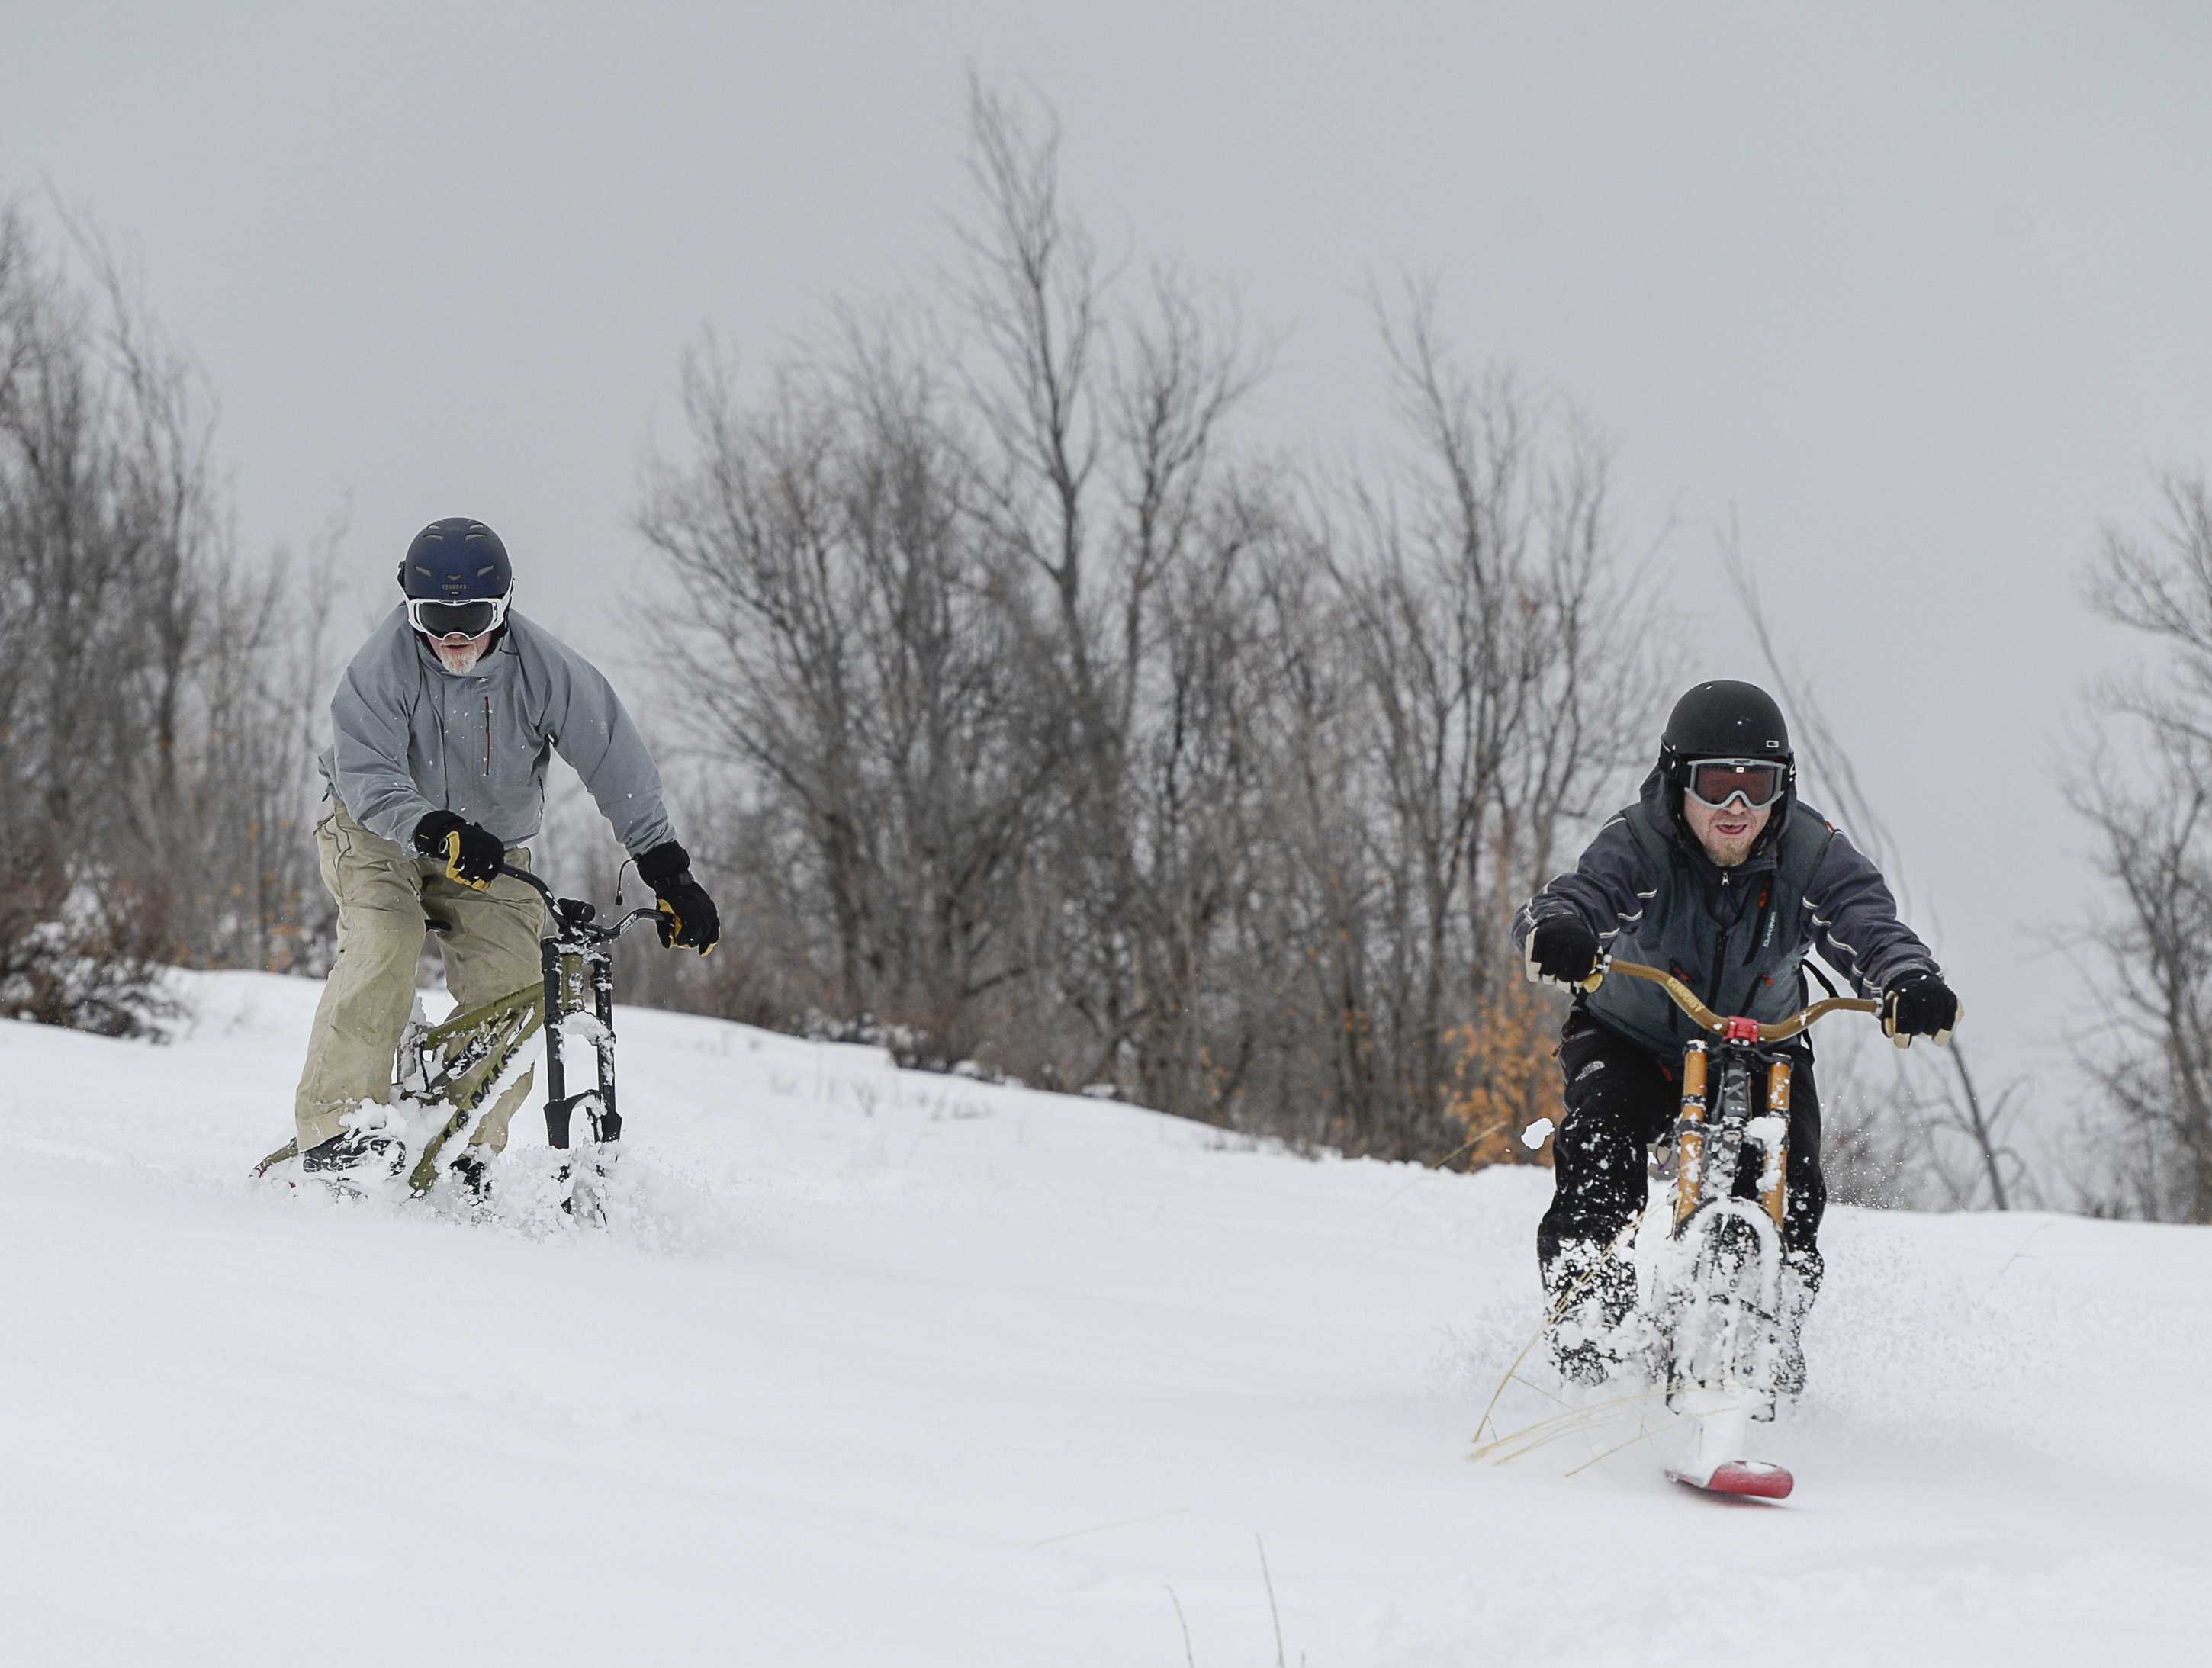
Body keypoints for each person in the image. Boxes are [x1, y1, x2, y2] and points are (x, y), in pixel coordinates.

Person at [1511, 680, 1960, 1388]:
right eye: (1717, 784)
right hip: (1632, 1035)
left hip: (1762, 1043)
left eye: (1759, 786)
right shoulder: (1640, 843)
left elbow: (1866, 922)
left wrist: (1905, 979)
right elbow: (1578, 897)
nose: (1738, 808)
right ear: (1675, 779)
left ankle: (1757, 1343)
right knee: (1601, 1149)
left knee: (1789, 1180)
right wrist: (1559, 933)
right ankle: (1590, 1335)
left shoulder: (1810, 852)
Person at [291, 517, 719, 1181]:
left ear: (507, 604)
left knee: (518, 985)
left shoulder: (546, 670)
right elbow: (367, 771)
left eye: (475, 615)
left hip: (488, 853)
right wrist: (429, 824)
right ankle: (337, 1128)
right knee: (385, 939)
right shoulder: (383, 667)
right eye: (435, 615)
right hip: (373, 832)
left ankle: (467, 1140)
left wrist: (666, 866)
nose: (454, 634)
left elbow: (617, 763)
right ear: (409, 606)